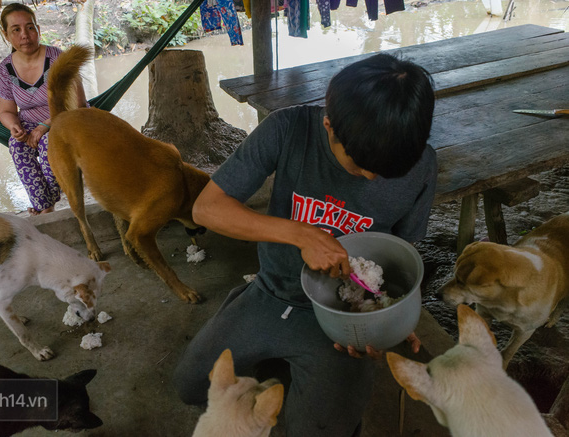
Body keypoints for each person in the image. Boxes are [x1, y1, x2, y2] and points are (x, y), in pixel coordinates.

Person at [173, 53, 437, 436]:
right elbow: (206, 210)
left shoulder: (422, 163)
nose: (370, 175)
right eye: (360, 163)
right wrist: (300, 233)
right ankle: (257, 329)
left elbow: (403, 257)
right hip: (273, 291)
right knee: (190, 387)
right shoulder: (289, 127)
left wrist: (390, 320)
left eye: (385, 170)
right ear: (329, 125)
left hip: (344, 319)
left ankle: (294, 365)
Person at [0, 3, 87, 215]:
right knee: (17, 147)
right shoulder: (4, 70)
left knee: (48, 145)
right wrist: (15, 127)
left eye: (30, 27)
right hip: (28, 122)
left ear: (38, 29)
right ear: (6, 35)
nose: (24, 35)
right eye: (16, 30)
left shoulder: (58, 59)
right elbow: (6, 111)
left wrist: (44, 126)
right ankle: (44, 206)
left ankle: (49, 203)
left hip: (65, 118)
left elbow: (78, 104)